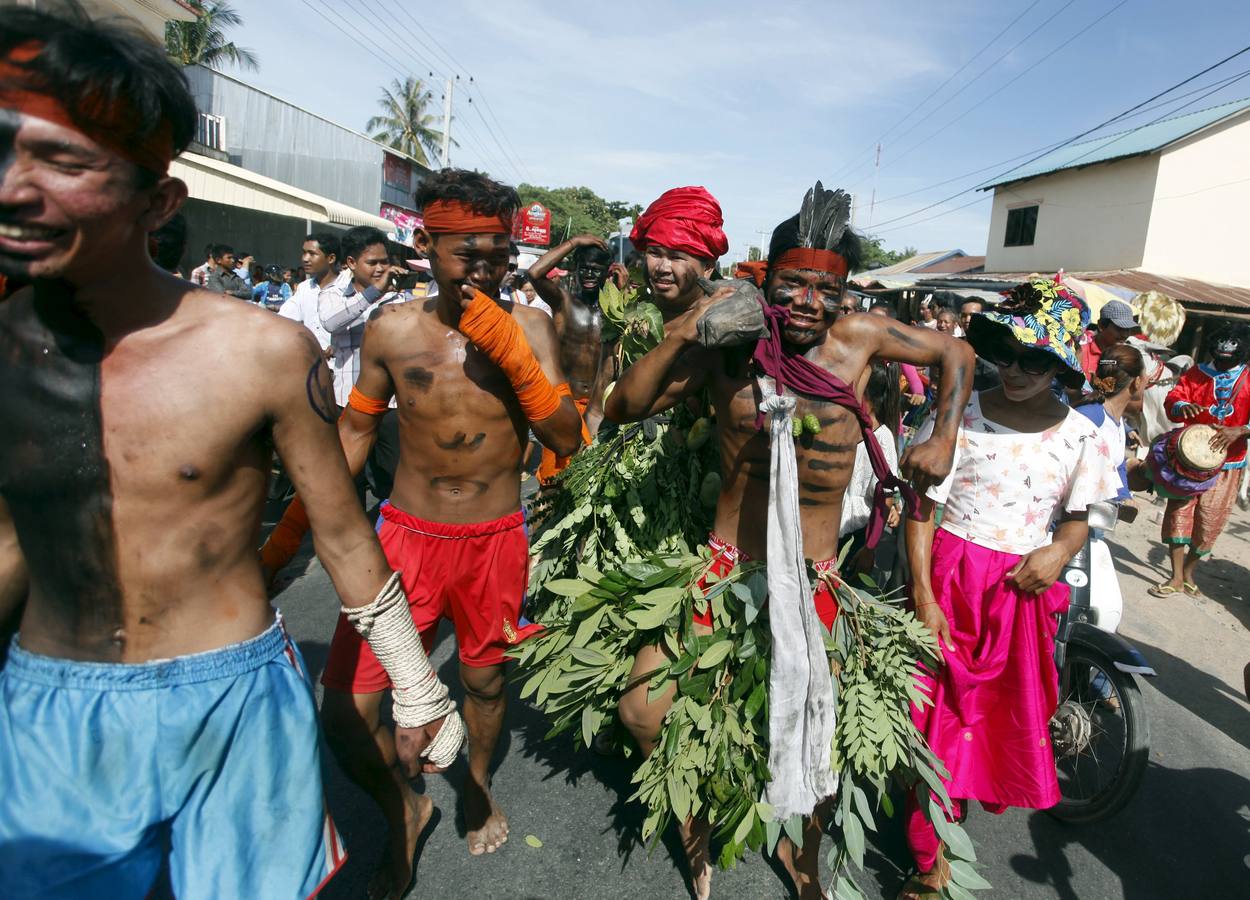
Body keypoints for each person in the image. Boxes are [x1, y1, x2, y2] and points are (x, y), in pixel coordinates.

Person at [0, 11, 463, 900]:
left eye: (65, 164)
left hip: (229, 706)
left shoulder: (259, 352)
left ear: (159, 201)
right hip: (48, 715)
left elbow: (341, 530)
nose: (18, 190)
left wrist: (414, 684)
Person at [605, 184, 975, 899]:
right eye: (792, 284)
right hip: (722, 570)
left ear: (844, 293)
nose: (807, 301)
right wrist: (687, 329)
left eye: (825, 288)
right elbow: (625, 407)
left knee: (813, 746)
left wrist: (946, 435)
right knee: (642, 710)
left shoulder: (862, 340)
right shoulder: (727, 344)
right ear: (763, 280)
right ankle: (696, 834)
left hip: (813, 582)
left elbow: (955, 353)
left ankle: (804, 858)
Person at [300, 169, 583, 880]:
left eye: (498, 253)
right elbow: (357, 433)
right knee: (345, 713)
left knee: (485, 687)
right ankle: (406, 808)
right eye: (469, 253)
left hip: (494, 542)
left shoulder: (532, 327)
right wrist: (301, 525)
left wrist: (512, 351)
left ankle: (477, 788)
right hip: (403, 540)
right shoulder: (392, 328)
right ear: (425, 242)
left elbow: (565, 436)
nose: (486, 268)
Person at [903, 278, 1118, 897]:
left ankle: (949, 828)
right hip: (946, 580)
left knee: (990, 723)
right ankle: (926, 859)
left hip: (1019, 594)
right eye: (1009, 354)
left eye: (1036, 359)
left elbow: (1084, 514)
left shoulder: (1084, 435)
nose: (1018, 370)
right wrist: (922, 595)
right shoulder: (958, 412)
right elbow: (920, 505)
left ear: (1059, 364)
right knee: (929, 720)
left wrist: (1058, 550)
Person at [1153, 322, 1250, 597]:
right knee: (1179, 513)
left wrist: (1240, 430)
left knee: (1211, 521)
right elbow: (1174, 398)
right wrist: (1184, 405)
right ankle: (1174, 576)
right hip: (1187, 459)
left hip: (1229, 463)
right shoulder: (1196, 373)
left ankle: (1189, 572)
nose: (1223, 353)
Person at [527, 233, 613, 480]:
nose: (589, 275)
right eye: (584, 268)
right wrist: (574, 243)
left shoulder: (614, 312)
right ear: (576, 270)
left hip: (599, 410)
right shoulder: (564, 303)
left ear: (606, 273)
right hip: (565, 406)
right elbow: (534, 274)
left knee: (590, 484)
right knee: (554, 483)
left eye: (596, 270)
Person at [839, 361, 903, 576]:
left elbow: (883, 498)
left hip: (854, 535)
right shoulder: (840, 428)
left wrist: (870, 547)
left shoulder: (882, 441)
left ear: (871, 398)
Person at [1074, 343, 1148, 504]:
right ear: (1137, 382)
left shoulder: (1117, 420)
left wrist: (1124, 496)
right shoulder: (1090, 416)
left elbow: (1116, 466)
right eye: (1145, 375)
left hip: (1092, 515)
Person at [277, 230, 339, 357]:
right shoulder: (304, 288)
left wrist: (338, 347)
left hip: (343, 366)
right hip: (313, 364)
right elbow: (284, 319)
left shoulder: (348, 288)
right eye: (304, 253)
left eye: (312, 254)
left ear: (331, 258)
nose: (305, 259)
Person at [1078, 298, 1138, 379]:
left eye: (1128, 330)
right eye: (1120, 328)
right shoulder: (1080, 347)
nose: (1125, 335)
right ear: (1101, 325)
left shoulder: (1124, 356)